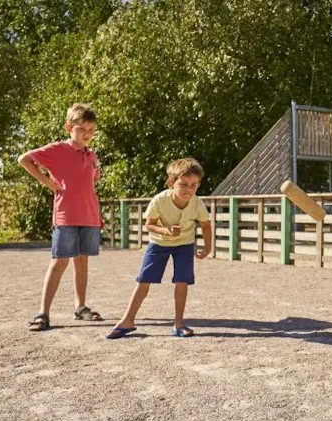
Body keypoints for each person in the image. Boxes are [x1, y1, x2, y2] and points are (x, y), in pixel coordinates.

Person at [18, 104, 104, 332]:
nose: (87, 133)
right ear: (69, 127)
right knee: (59, 262)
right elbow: (24, 159)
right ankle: (43, 314)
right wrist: (49, 183)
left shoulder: (92, 155)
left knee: (82, 261)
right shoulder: (57, 149)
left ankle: (80, 307)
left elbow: (92, 180)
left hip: (90, 216)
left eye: (91, 129)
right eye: (82, 128)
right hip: (66, 216)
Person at [106, 158, 212, 339]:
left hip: (185, 244)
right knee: (143, 280)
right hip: (158, 243)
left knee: (182, 281)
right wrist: (167, 231)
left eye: (194, 185)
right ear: (171, 183)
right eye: (184, 184)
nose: (189, 189)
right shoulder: (159, 200)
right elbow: (149, 225)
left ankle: (179, 324)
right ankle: (127, 320)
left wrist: (207, 247)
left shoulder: (197, 202)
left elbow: (205, 224)